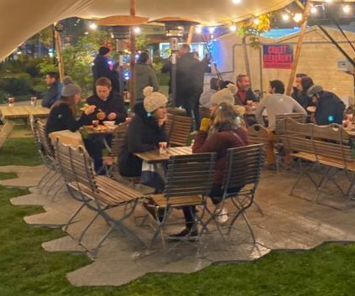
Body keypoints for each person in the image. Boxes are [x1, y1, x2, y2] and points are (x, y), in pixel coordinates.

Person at [174, 102, 249, 240]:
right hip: (238, 183)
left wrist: (202, 131)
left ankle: (191, 227)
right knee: (200, 179)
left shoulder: (220, 137)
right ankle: (217, 204)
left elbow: (198, 154)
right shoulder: (241, 133)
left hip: (221, 186)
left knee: (184, 184)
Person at [119, 87, 169, 190]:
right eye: (161, 108)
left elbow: (164, 143)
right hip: (131, 163)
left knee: (171, 169)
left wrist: (161, 127)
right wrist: (153, 146)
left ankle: (162, 197)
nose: (165, 111)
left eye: (165, 107)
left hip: (151, 161)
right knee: (165, 172)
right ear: (153, 109)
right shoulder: (138, 121)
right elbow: (134, 147)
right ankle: (162, 197)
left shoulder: (156, 121)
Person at [80, 77, 127, 173]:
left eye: (104, 91)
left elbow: (124, 115)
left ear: (109, 89)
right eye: (99, 91)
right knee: (94, 143)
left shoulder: (117, 98)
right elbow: (85, 119)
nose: (101, 94)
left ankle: (116, 166)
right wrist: (96, 116)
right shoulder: (91, 100)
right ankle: (100, 169)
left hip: (114, 131)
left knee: (120, 142)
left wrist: (116, 115)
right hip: (97, 132)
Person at [255, 80, 306, 167]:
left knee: (267, 141)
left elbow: (257, 114)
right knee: (286, 137)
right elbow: (304, 113)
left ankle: (271, 163)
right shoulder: (289, 98)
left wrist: (264, 126)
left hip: (275, 134)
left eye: (269, 87)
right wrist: (295, 124)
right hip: (290, 134)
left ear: (274, 89)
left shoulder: (267, 98)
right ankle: (288, 160)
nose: (268, 89)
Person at [176, 43, 205, 127]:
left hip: (186, 90)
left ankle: (190, 128)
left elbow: (179, 76)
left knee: (188, 110)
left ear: (185, 50)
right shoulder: (196, 61)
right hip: (197, 88)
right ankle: (198, 127)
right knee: (196, 109)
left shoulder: (181, 61)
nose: (179, 51)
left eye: (180, 49)